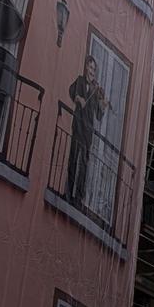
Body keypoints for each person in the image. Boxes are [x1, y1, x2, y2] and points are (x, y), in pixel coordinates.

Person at [65, 57, 110, 206]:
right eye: (90, 68)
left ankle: (78, 197)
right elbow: (71, 91)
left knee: (83, 163)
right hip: (77, 126)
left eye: (94, 69)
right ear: (85, 68)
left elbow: (98, 116)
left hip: (88, 131)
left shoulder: (97, 90)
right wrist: (78, 98)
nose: (91, 72)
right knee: (73, 159)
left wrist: (103, 106)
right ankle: (68, 191)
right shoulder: (79, 81)